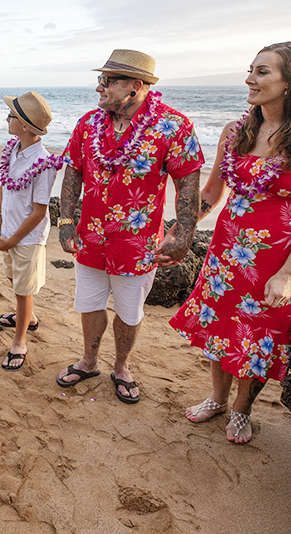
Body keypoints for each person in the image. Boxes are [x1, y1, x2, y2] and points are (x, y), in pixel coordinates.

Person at [170, 42, 291, 443]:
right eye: (251, 69)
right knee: (221, 330)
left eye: (263, 71)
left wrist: (288, 274)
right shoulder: (236, 131)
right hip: (226, 255)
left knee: (259, 340)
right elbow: (212, 193)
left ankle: (240, 410)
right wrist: (180, 231)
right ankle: (217, 399)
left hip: (279, 259)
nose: (250, 78)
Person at [57, 50, 204, 403]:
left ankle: (121, 366)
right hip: (91, 237)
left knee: (128, 310)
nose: (99, 88)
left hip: (138, 243)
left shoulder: (173, 126)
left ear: (135, 87)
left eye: (108, 81)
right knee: (89, 303)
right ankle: (89, 360)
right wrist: (65, 220)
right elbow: (73, 171)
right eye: (101, 80)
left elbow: (188, 181)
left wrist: (183, 232)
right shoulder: (88, 124)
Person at [0, 91, 63, 371]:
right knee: (12, 277)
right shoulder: (12, 149)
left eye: (11, 115)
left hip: (26, 238)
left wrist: (12, 240)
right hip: (8, 230)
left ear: (24, 125)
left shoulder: (43, 164)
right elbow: (3, 186)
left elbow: (39, 211)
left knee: (24, 290)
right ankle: (29, 318)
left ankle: (19, 341)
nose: (7, 118)